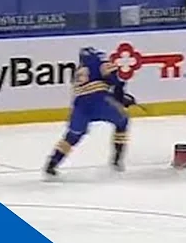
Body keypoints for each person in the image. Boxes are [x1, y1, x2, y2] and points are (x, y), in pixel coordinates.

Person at [44, 47, 136, 179]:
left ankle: (52, 163)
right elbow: (115, 83)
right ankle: (117, 159)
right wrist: (122, 99)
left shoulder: (79, 71)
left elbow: (90, 87)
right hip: (100, 102)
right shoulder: (101, 61)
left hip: (80, 106)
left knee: (73, 136)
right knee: (122, 121)